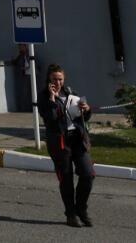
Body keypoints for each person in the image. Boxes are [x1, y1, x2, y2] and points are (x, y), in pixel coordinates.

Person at [37, 64, 95, 227]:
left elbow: (84, 117)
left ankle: (81, 208)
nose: (57, 82)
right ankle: (70, 214)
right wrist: (52, 99)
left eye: (60, 79)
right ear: (49, 79)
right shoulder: (43, 97)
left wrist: (87, 109)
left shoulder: (71, 93)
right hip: (60, 143)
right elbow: (51, 118)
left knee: (88, 174)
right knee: (66, 179)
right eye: (54, 79)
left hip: (77, 140)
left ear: (64, 79)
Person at [8, 44, 32, 112]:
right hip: (24, 76)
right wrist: (13, 61)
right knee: (24, 93)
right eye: (19, 47)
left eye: (21, 47)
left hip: (29, 75)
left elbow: (32, 64)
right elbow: (16, 62)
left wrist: (25, 68)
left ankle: (29, 108)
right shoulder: (21, 55)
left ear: (25, 47)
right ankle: (24, 108)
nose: (20, 49)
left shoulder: (29, 54)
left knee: (28, 92)